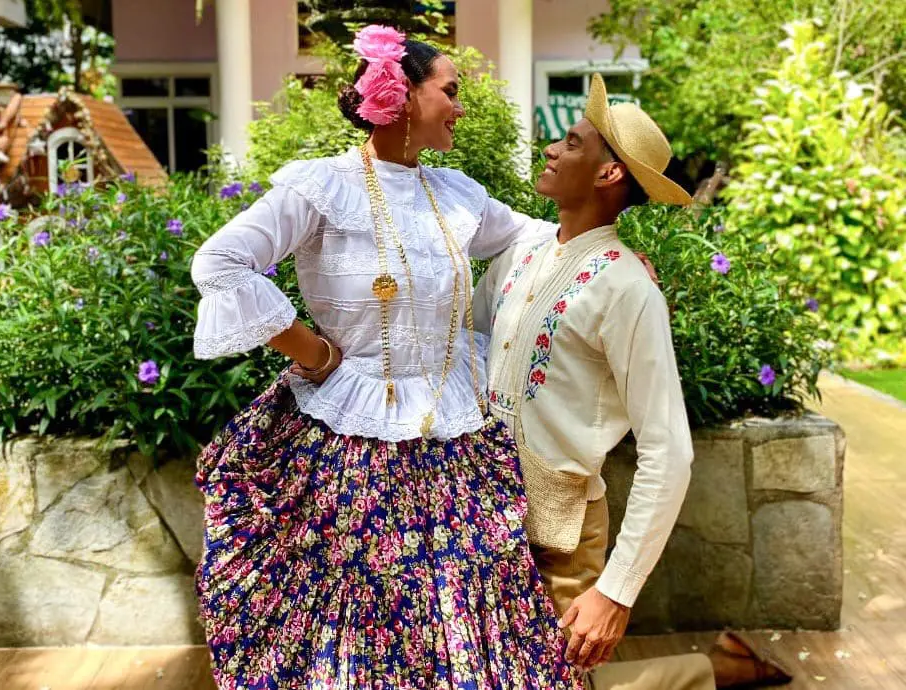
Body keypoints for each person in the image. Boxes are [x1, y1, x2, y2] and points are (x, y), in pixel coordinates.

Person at [190, 25, 583, 689]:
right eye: (451, 91)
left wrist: (612, 254)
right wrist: (312, 351)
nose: (462, 106)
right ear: (401, 97)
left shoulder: (455, 193)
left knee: (467, 603)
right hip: (348, 438)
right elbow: (221, 261)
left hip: (456, 434)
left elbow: (537, 238)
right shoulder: (322, 187)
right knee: (352, 609)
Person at [474, 74, 793, 690]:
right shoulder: (523, 253)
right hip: (485, 517)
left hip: (561, 536)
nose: (551, 150)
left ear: (607, 175)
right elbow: (469, 343)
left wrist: (616, 591)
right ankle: (717, 666)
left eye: (571, 143)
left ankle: (713, 669)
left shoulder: (627, 290)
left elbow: (669, 451)